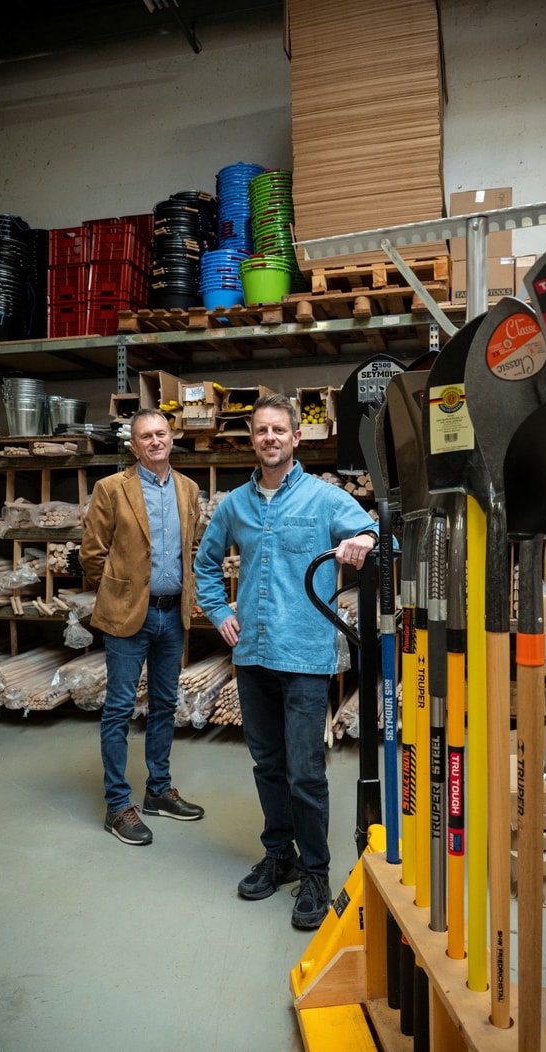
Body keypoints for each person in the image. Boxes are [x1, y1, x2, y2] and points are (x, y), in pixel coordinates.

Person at [193, 392, 379, 929]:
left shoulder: (324, 499)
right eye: (261, 431)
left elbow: (372, 530)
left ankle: (316, 871)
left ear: (296, 438)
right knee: (268, 766)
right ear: (252, 439)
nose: (270, 438)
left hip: (304, 656)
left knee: (305, 772)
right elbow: (205, 564)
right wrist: (219, 609)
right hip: (250, 655)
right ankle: (281, 855)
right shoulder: (234, 505)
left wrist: (361, 541)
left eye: (279, 430)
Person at [79, 407, 204, 845]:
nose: (155, 442)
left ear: (172, 439)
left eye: (161, 434)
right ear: (133, 446)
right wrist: (118, 592)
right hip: (129, 614)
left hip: (173, 614)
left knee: (165, 704)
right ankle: (117, 806)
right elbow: (91, 554)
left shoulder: (188, 489)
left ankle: (158, 792)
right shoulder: (112, 488)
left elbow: (191, 544)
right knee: (118, 710)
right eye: (145, 436)